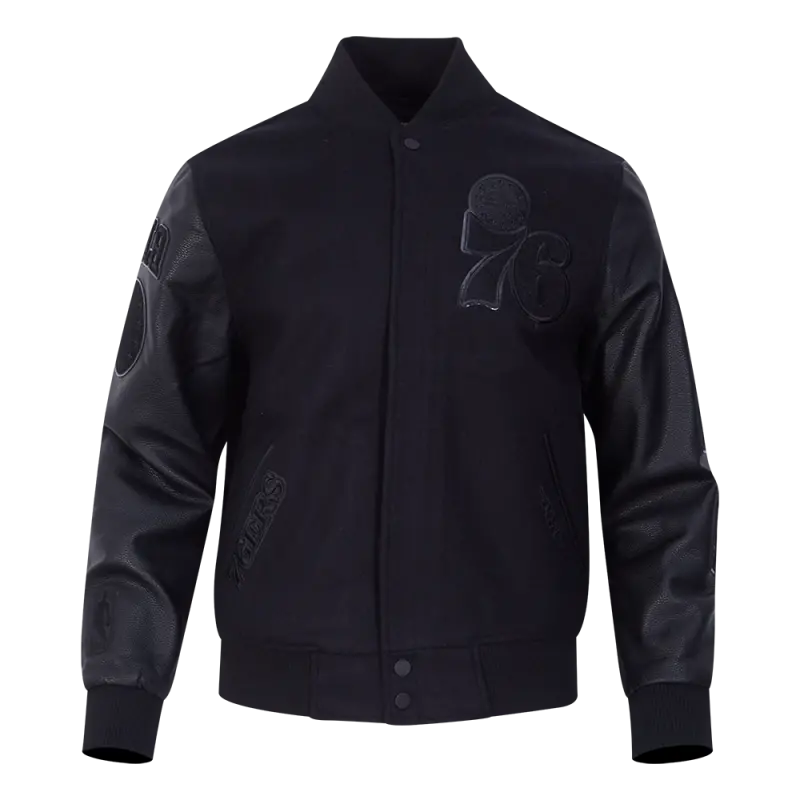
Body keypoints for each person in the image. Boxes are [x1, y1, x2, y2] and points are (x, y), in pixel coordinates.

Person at [80, 31, 719, 763]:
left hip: (532, 708)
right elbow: (149, 461)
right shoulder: (225, 192)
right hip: (274, 711)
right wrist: (117, 700)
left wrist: (674, 704)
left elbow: (659, 474)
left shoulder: (591, 193)